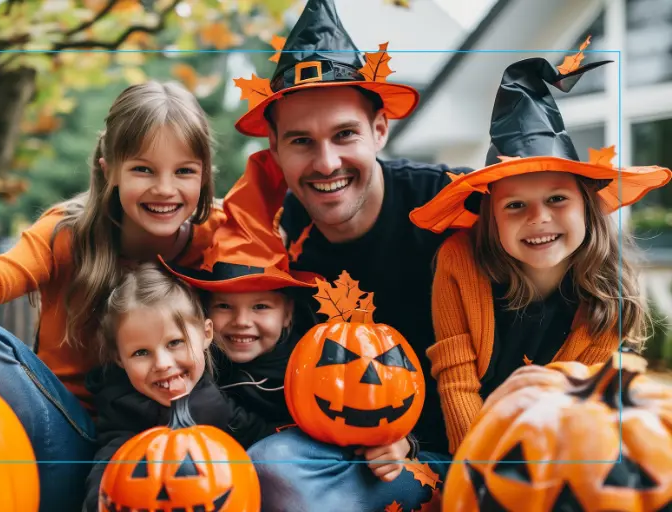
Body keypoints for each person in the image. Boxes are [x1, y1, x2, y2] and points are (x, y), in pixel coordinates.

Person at [0, 81, 225, 512]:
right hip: (73, 434)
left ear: (204, 173)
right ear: (108, 167)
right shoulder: (69, 234)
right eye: (143, 170)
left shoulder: (221, 236)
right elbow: (1, 273)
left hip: (182, 440)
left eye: (184, 171)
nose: (165, 189)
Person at [227, 0, 471, 509]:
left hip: (459, 447)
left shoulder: (455, 210)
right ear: (274, 147)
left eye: (345, 135)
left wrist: (412, 441)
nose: (326, 162)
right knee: (270, 468)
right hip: (329, 450)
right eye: (301, 141)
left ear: (379, 130)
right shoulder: (272, 238)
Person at [408, 52, 672, 454]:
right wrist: (483, 476)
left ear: (587, 205)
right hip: (469, 451)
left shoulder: (608, 291)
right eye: (515, 205)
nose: (539, 217)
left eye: (557, 198)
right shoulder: (458, 261)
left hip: (566, 452)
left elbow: (582, 410)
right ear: (490, 218)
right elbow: (457, 378)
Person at [82, 263, 278, 512]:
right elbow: (108, 475)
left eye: (174, 342)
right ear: (119, 358)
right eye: (141, 352)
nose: (163, 364)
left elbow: (259, 434)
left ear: (207, 334)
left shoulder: (212, 401)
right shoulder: (121, 411)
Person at [160, 150, 321, 426]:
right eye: (224, 306)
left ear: (287, 314)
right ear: (205, 312)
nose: (241, 322)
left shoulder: (310, 372)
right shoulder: (187, 359)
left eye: (260, 306)